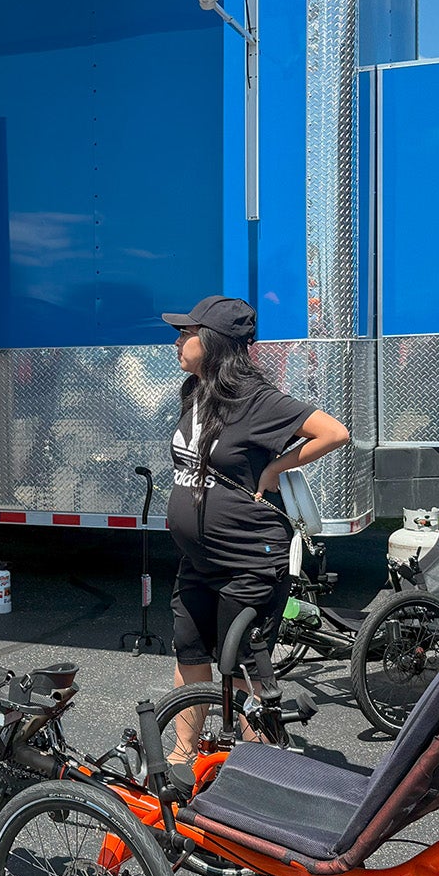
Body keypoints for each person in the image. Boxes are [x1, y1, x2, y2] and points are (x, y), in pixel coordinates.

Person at [161, 297, 349, 732]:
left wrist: (276, 466)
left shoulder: (256, 399)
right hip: (200, 558)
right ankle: (184, 754)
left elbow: (334, 432)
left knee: (243, 661)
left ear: (212, 342)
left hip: (248, 559)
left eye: (187, 332)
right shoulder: (196, 391)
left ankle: (258, 765)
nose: (178, 339)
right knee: (189, 649)